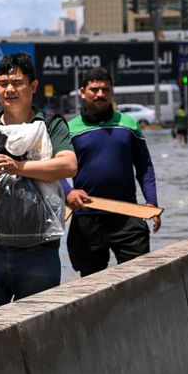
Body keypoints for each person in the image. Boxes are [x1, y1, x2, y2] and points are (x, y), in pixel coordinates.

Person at [0, 53, 76, 311]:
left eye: (17, 83)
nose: (9, 89)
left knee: (39, 325)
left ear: (33, 86)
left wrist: (19, 167)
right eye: (2, 83)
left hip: (40, 250)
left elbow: (68, 165)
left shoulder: (51, 126)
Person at [63, 68, 160, 277]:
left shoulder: (129, 125)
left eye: (105, 89)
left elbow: (144, 166)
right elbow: (55, 172)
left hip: (127, 214)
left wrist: (151, 202)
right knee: (90, 286)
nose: (100, 94)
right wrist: (68, 193)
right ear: (82, 92)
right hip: (86, 217)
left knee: (139, 279)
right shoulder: (69, 129)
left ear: (111, 92)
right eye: (94, 89)